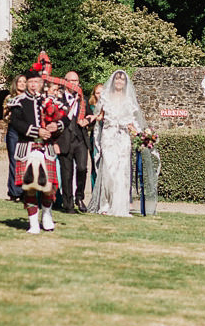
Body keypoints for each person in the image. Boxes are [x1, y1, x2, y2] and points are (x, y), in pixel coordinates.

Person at [8, 58, 66, 233]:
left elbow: (66, 119)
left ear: (42, 83)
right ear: (26, 84)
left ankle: (47, 215)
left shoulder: (50, 100)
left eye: (36, 82)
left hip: (46, 149)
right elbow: (16, 123)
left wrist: (56, 126)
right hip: (27, 149)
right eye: (30, 82)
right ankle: (33, 223)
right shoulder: (18, 101)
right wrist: (36, 131)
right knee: (30, 188)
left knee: (49, 187)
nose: (33, 85)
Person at [87, 69, 146, 217]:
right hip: (108, 136)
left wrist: (141, 135)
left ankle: (120, 206)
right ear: (113, 81)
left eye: (122, 80)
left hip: (123, 137)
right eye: (117, 79)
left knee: (122, 171)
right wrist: (91, 119)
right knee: (109, 169)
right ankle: (106, 204)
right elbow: (100, 115)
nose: (119, 82)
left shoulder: (129, 100)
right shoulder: (106, 97)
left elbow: (133, 121)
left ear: (125, 83)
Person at [56, 70, 91, 213]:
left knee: (82, 168)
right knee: (66, 173)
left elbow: (90, 117)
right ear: (65, 83)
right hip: (64, 140)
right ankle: (68, 204)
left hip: (80, 140)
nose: (73, 84)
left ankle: (79, 196)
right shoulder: (58, 99)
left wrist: (87, 120)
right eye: (70, 81)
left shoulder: (84, 100)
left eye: (76, 81)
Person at [3, 74, 28, 200]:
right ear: (16, 83)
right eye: (20, 81)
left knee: (25, 160)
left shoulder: (29, 98)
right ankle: (14, 191)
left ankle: (24, 191)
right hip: (13, 131)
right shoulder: (9, 98)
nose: (22, 83)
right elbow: (5, 116)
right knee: (14, 160)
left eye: (24, 81)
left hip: (25, 131)